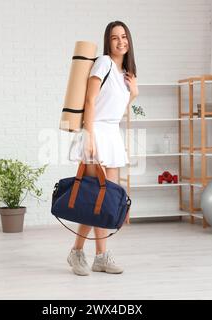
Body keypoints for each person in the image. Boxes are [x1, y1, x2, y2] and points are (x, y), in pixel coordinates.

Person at [67, 21, 139, 276]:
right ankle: (76, 251)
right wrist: (89, 137)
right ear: (108, 42)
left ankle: (100, 257)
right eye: (114, 38)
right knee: (91, 196)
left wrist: (134, 93)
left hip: (112, 135)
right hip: (96, 131)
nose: (120, 42)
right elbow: (90, 99)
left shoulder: (127, 74)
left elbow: (118, 110)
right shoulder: (104, 63)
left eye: (124, 37)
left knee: (106, 200)